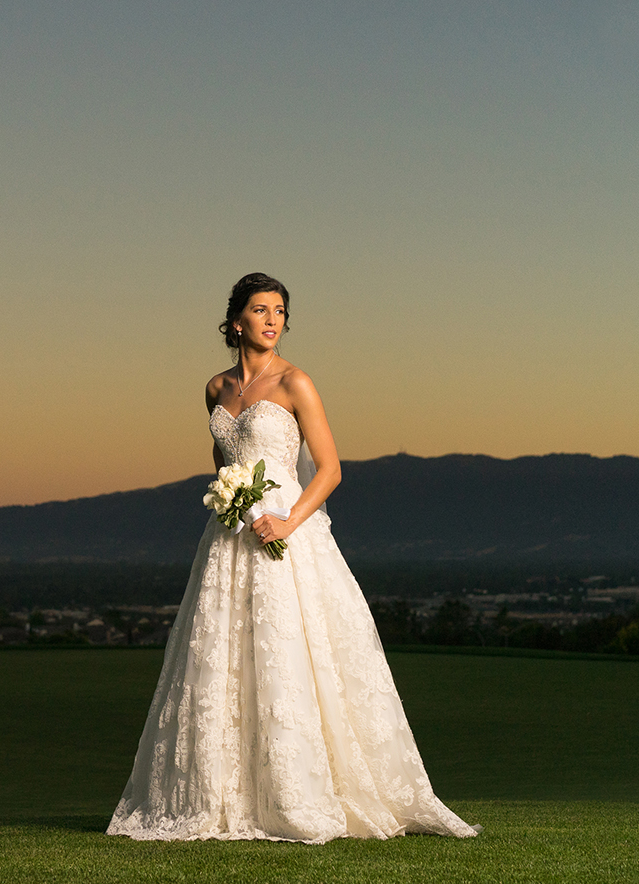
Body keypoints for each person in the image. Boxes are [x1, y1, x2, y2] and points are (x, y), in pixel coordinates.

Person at [106, 273, 479, 843]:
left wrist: (287, 520)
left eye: (281, 310)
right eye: (261, 309)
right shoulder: (215, 389)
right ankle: (220, 796)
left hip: (286, 528)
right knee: (224, 654)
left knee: (290, 651)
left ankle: (300, 792)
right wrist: (234, 499)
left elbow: (330, 469)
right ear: (237, 320)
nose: (273, 319)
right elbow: (224, 459)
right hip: (230, 534)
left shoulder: (296, 382)